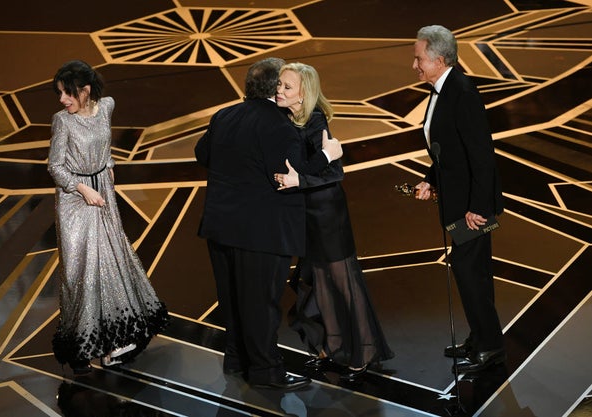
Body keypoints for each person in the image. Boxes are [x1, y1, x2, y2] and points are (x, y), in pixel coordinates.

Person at [195, 57, 343, 391]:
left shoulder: (224, 115)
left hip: (220, 228)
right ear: (275, 86)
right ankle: (265, 371)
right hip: (262, 234)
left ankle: (236, 360)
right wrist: (328, 156)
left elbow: (202, 154)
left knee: (232, 299)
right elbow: (289, 173)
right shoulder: (279, 124)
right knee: (261, 304)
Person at [274, 62, 394, 382]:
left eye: (287, 86)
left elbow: (333, 172)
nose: (279, 90)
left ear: (304, 93)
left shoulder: (315, 121)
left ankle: (365, 350)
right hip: (307, 217)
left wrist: (301, 179)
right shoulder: (286, 118)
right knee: (320, 281)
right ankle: (335, 345)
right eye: (279, 85)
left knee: (344, 283)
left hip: (328, 216)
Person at [48, 60, 169, 375]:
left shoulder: (106, 107)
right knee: (79, 274)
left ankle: (113, 342)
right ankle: (79, 348)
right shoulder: (62, 121)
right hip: (75, 200)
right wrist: (83, 189)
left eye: (68, 94)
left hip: (104, 193)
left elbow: (106, 143)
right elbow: (55, 166)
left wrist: (109, 165)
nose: (63, 100)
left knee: (110, 265)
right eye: (60, 94)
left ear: (85, 91)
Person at [411, 25, 505, 373]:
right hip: (458, 200)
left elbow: (481, 155)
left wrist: (478, 209)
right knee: (469, 273)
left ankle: (491, 346)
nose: (415, 65)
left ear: (438, 59)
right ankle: (480, 338)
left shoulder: (462, 92)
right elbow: (448, 150)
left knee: (471, 274)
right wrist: (430, 178)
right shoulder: (444, 89)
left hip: (471, 208)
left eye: (419, 58)